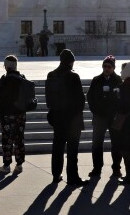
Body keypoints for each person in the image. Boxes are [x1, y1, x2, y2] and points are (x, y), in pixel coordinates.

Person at [46, 49, 87, 187]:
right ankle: (72, 177)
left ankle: (56, 174)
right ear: (71, 62)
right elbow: (80, 99)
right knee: (72, 150)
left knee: (57, 147)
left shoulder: (51, 75)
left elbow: (48, 99)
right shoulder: (73, 76)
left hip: (58, 117)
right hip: (72, 119)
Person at [86, 55, 123, 177]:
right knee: (97, 143)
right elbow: (90, 97)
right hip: (99, 116)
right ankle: (97, 168)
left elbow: (122, 98)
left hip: (113, 117)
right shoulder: (96, 80)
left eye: (109, 67)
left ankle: (116, 168)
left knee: (116, 143)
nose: (106, 68)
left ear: (113, 68)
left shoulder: (118, 80)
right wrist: (95, 110)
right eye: (105, 66)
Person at [0, 55, 27, 175]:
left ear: (7, 66)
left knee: (7, 139)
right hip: (20, 114)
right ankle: (19, 165)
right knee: (19, 139)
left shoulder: (6, 79)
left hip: (7, 114)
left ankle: (6, 165)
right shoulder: (22, 78)